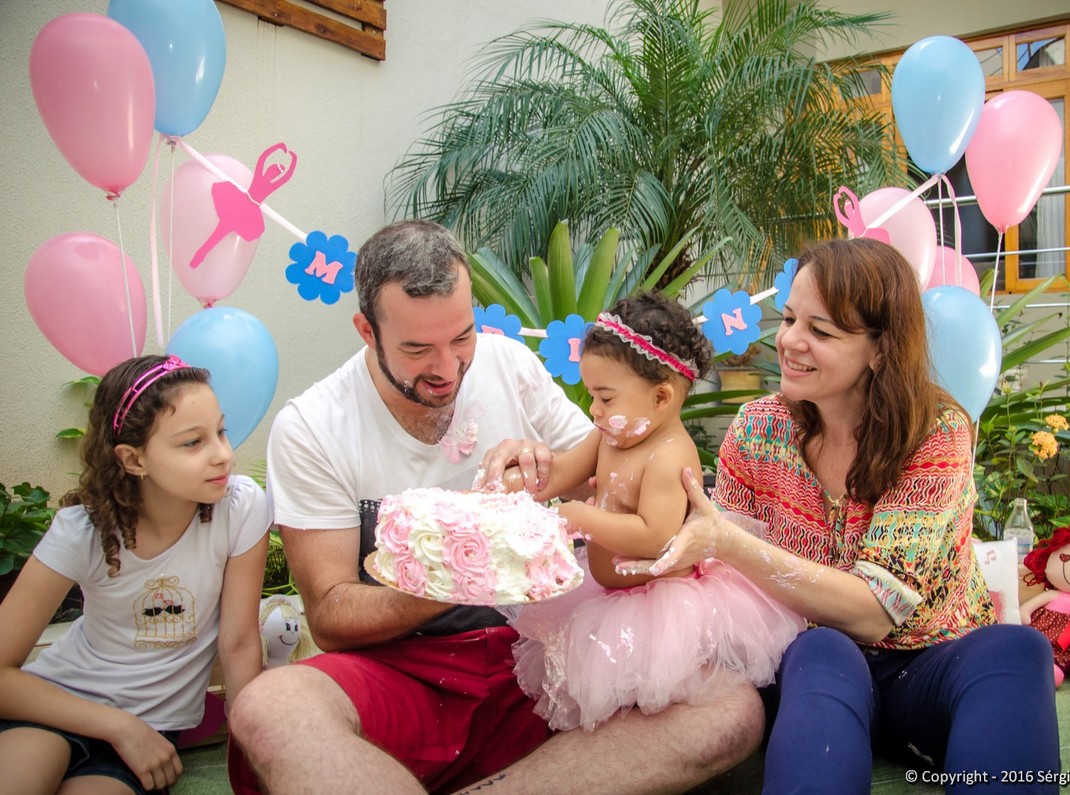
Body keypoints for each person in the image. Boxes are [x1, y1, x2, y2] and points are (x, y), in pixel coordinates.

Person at [227, 220, 764, 795]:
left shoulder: (510, 364)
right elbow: (332, 617)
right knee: (270, 706)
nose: (447, 368)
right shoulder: (311, 428)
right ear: (366, 330)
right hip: (405, 671)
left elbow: (608, 486)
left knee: (730, 710)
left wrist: (543, 473)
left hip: (542, 655)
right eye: (417, 349)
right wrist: (468, 569)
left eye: (462, 337)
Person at [615, 238, 1061, 794]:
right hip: (814, 673)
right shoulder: (758, 428)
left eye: (821, 331)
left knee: (1018, 648)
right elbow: (724, 581)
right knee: (822, 645)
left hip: (929, 666)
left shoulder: (935, 432)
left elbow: (877, 611)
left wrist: (724, 540)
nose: (789, 341)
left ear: (881, 349)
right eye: (789, 319)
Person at [490, 292, 802, 732]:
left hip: (660, 612)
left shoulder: (669, 455)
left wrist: (580, 518)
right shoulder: (609, 435)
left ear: (660, 398)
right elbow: (558, 472)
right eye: (592, 396)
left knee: (653, 712)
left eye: (605, 398)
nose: (594, 409)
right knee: (604, 708)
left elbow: (656, 536)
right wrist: (507, 484)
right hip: (607, 598)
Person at [0, 354, 270, 795]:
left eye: (220, 432)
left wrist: (254, 756)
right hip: (54, 711)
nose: (224, 455)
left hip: (146, 740)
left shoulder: (239, 508)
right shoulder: (83, 532)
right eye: (192, 442)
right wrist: (118, 725)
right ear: (133, 459)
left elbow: (238, 643)